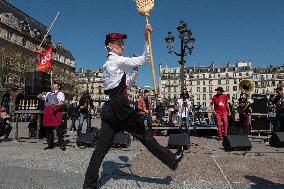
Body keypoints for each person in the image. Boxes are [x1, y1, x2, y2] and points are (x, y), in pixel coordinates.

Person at [83, 24, 184, 189]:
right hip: (119, 107)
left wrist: (135, 71)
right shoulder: (114, 60)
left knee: (101, 149)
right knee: (143, 134)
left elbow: (126, 84)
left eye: (123, 43)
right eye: (119, 43)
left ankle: (88, 185)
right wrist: (146, 39)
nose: (123, 46)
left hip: (110, 108)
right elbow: (145, 59)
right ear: (110, 46)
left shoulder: (111, 64)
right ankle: (171, 160)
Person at [37, 81, 66, 151]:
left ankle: (62, 144)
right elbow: (38, 97)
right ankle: (50, 145)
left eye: (55, 84)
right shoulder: (48, 93)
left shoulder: (60, 93)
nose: (53, 85)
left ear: (58, 87)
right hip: (47, 112)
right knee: (48, 130)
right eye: (53, 85)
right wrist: (42, 94)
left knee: (59, 129)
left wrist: (56, 105)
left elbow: (62, 103)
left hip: (56, 112)